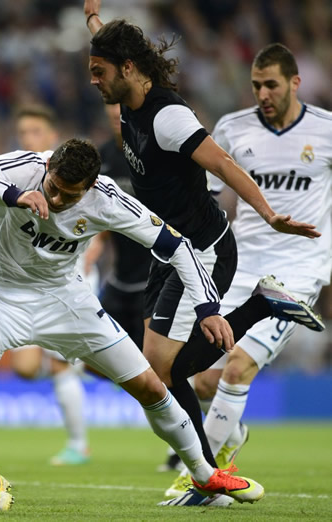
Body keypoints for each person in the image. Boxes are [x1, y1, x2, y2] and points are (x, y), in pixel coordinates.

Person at [0, 137, 322, 510]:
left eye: (68, 195)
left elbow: (176, 246)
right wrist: (16, 194)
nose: (56, 199)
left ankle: (204, 474)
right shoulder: (25, 168)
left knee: (151, 385)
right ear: (49, 169)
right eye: (52, 187)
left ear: (90, 187)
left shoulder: (106, 198)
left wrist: (207, 308)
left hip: (66, 303)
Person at [82, 2, 322, 505]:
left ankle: (207, 476)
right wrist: (93, 19)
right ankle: (208, 472)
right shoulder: (127, 92)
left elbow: (227, 166)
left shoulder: (169, 118)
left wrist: (270, 214)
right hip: (166, 250)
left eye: (98, 72)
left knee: (158, 373)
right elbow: (108, 45)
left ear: (128, 69)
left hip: (204, 249)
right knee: (161, 373)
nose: (93, 82)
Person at [163, 43, 332, 502]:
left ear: (296, 83)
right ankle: (231, 434)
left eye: (271, 84)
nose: (263, 93)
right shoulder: (233, 128)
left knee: (237, 368)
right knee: (199, 378)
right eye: (256, 85)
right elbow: (212, 200)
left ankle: (202, 479)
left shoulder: (327, 130)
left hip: (297, 272)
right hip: (238, 268)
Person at [11, 104, 91, 466]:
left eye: (34, 132)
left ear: (51, 140)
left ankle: (79, 444)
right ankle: (96, 364)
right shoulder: (18, 174)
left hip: (70, 278)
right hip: (28, 282)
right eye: (23, 132)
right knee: (26, 367)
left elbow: (94, 228)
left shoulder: (67, 177)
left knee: (60, 365)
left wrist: (85, 266)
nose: (27, 139)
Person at [84, 103, 152, 350]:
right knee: (95, 358)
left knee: (155, 364)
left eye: (121, 104)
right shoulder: (102, 157)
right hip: (120, 279)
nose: (115, 112)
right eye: (111, 104)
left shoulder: (153, 153)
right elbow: (99, 212)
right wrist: (95, 246)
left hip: (155, 280)